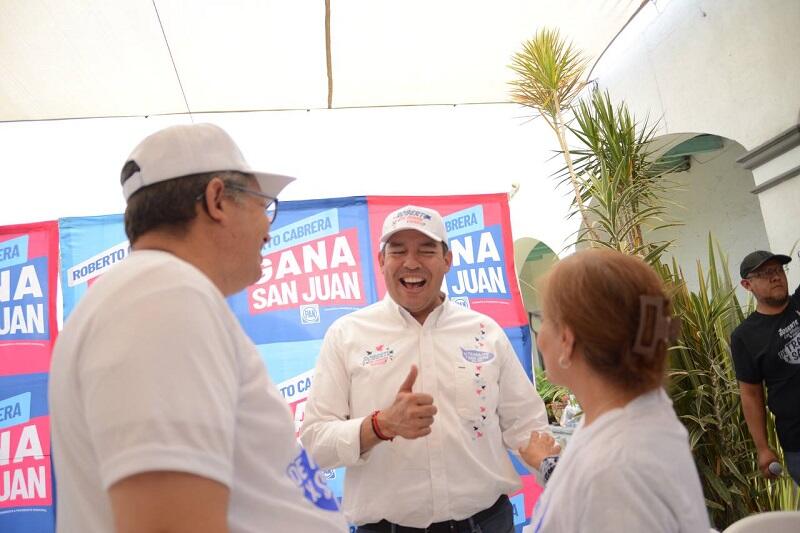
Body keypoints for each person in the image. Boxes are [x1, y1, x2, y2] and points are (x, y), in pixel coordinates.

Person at [49, 123, 346, 533]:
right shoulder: (163, 295)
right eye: (263, 203)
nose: (269, 226)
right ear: (217, 200)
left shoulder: (155, 293)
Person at [300, 205, 550, 532]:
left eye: (426, 250)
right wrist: (380, 426)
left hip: (487, 523)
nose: (411, 262)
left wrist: (556, 472)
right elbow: (314, 443)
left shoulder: (486, 332)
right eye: (398, 250)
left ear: (447, 260)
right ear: (381, 261)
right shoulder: (346, 335)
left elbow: (527, 426)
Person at [521, 249, 710, 532]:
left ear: (567, 340)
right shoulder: (632, 410)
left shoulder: (614, 469)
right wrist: (548, 464)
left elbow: (606, 486)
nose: (539, 336)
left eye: (543, 319)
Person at [731, 250, 800, 485]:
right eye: (766, 273)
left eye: (779, 270)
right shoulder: (745, 336)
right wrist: (762, 447)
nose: (776, 277)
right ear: (747, 284)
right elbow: (750, 393)